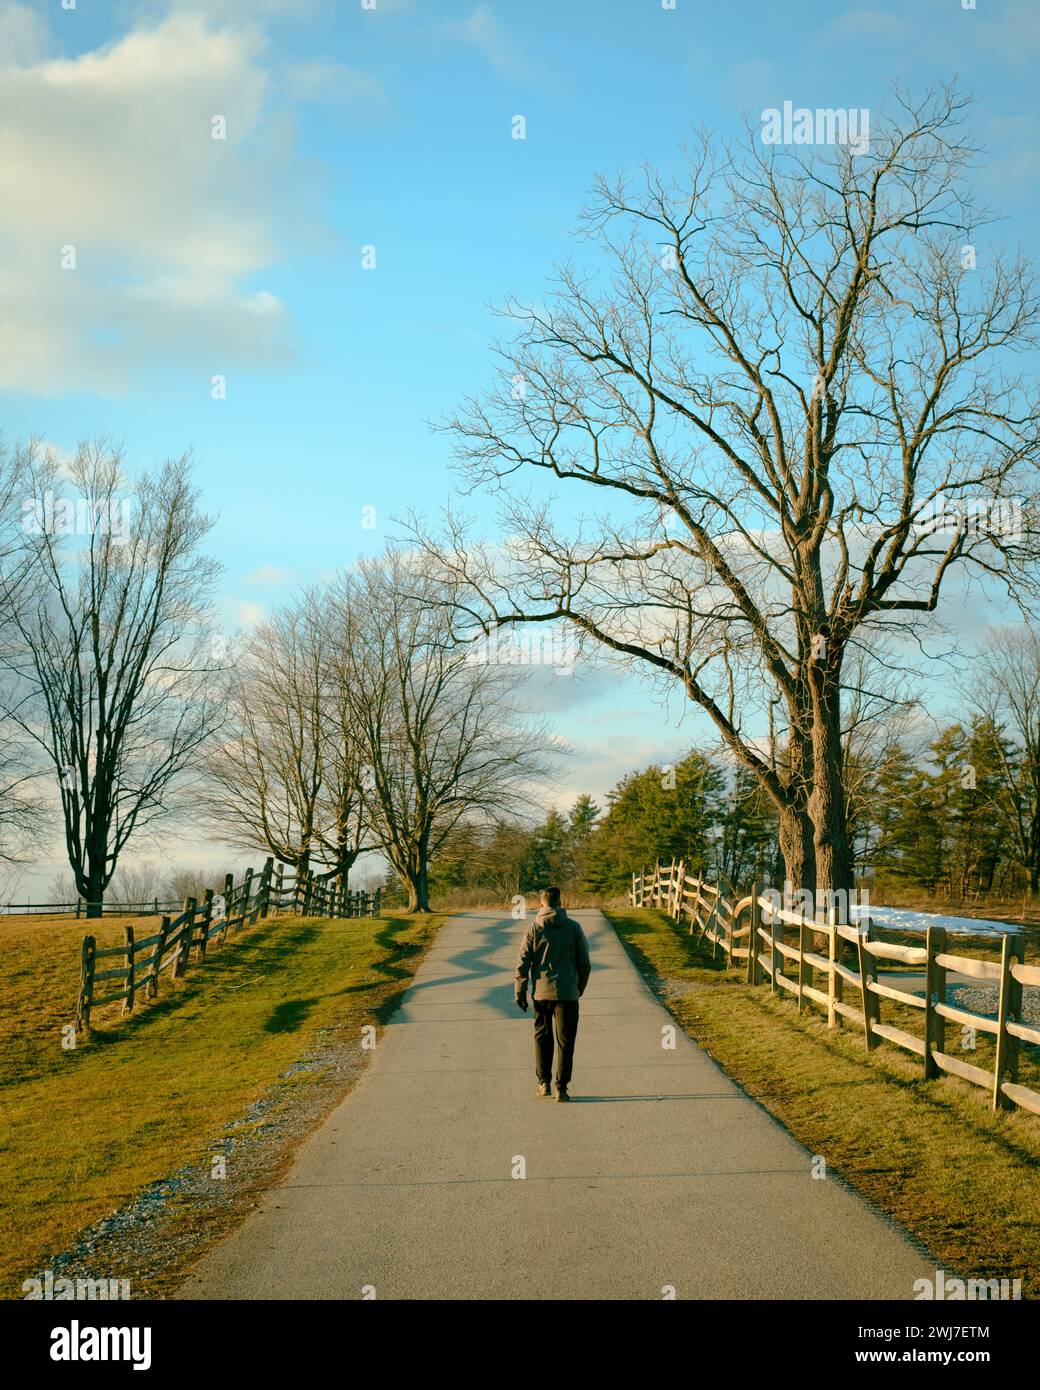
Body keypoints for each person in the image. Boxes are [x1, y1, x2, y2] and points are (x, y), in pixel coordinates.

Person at [514, 887, 591, 1103]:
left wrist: (520, 990)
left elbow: (523, 962)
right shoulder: (574, 928)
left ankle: (543, 1083)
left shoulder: (533, 929)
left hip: (541, 993)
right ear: (560, 902)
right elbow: (584, 963)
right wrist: (578, 988)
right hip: (567, 993)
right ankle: (562, 1087)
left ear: (541, 905)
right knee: (566, 1041)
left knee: (542, 1038)